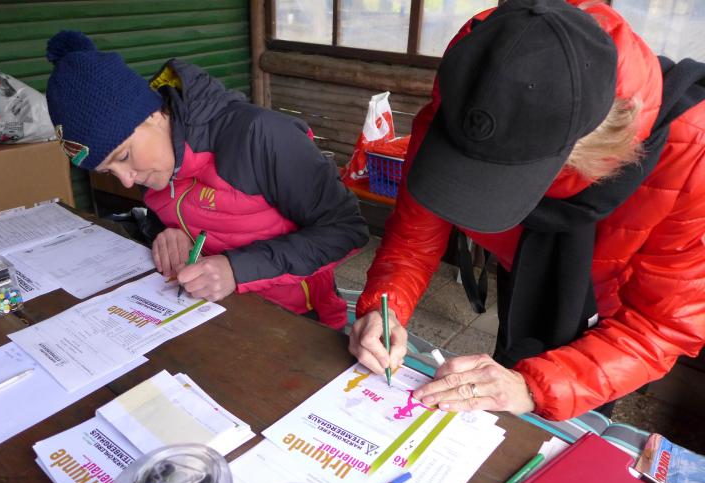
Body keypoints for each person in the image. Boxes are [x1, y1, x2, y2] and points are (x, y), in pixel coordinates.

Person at [349, 0, 705, 420]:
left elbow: (660, 325)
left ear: (595, 156)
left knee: (559, 408)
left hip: (607, 306)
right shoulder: (474, 89)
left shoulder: (692, 154)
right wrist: (385, 307)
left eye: (507, 179)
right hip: (522, 265)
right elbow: (414, 234)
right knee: (507, 364)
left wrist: (535, 387)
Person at [44, 31, 369, 329]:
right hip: (215, 314)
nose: (127, 181)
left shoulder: (260, 136)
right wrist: (166, 232)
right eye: (107, 171)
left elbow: (346, 230)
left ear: (153, 115)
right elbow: (175, 214)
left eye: (124, 156)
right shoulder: (153, 163)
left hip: (298, 319)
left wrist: (236, 269)